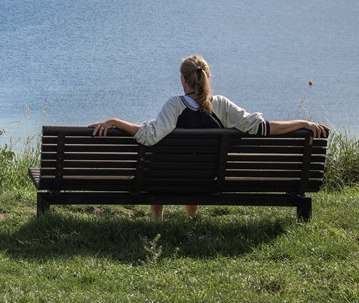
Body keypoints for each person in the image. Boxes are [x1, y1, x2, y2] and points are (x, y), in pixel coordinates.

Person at [91, 54, 330, 220]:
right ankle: (192, 219)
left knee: (162, 161)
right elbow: (261, 128)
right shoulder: (222, 105)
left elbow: (150, 136)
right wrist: (302, 123)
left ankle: (156, 221)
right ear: (206, 77)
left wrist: (115, 122)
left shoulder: (174, 105)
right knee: (198, 161)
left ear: (184, 79)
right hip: (208, 180)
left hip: (164, 180)